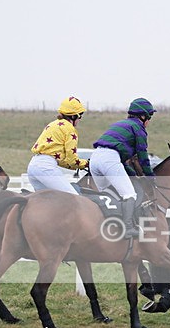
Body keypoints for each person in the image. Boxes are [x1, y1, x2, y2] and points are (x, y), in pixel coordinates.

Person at [91, 98, 157, 239]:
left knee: (108, 195)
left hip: (95, 159)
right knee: (129, 195)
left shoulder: (120, 124)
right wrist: (151, 177)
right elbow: (143, 155)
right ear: (143, 116)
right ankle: (127, 228)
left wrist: (133, 174)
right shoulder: (139, 128)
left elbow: (122, 163)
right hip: (109, 159)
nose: (149, 121)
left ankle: (106, 225)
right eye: (150, 117)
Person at [27, 96, 89, 194]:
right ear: (73, 116)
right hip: (46, 167)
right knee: (74, 198)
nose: (80, 119)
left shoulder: (53, 124)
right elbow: (72, 160)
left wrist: (77, 166)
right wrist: (87, 163)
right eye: (80, 115)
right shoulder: (70, 129)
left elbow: (64, 161)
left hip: (33, 166)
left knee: (49, 202)